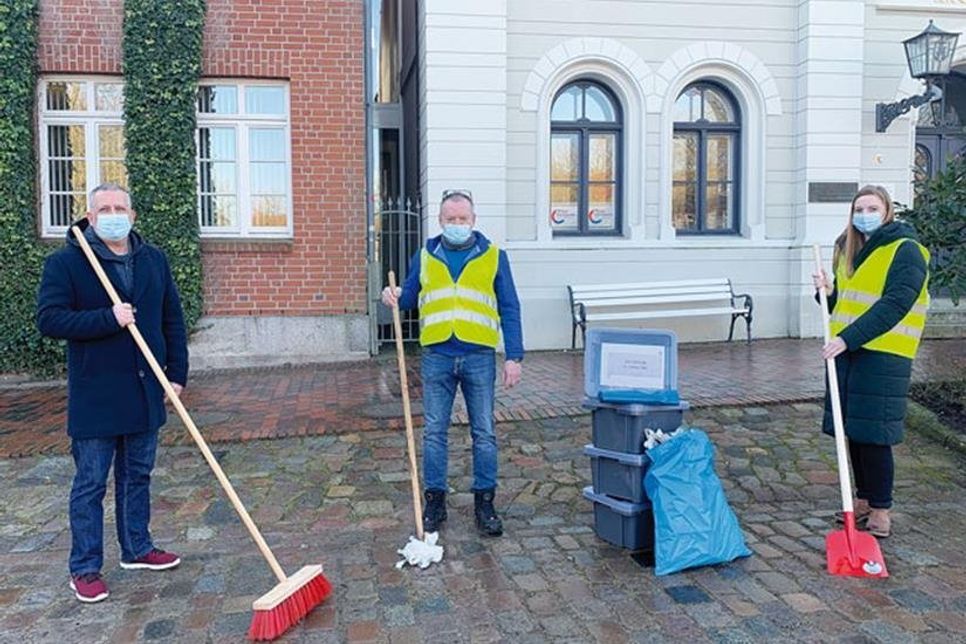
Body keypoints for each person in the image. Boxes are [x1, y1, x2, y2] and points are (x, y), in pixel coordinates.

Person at [37, 183, 188, 603]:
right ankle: (84, 567)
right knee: (90, 484)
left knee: (137, 475)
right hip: (97, 395)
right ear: (89, 217)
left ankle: (137, 548)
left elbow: (171, 318)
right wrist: (109, 317)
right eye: (104, 208)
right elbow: (50, 320)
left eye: (120, 207)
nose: (113, 214)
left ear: (133, 215)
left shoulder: (153, 259)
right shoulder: (67, 263)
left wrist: (176, 374)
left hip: (145, 388)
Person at [382, 189, 524, 537]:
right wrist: (394, 295)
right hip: (437, 357)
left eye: (463, 219)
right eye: (451, 219)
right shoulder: (426, 255)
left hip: (479, 356)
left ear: (473, 221)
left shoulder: (494, 256)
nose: (457, 224)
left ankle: (485, 502)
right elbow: (411, 295)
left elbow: (509, 307)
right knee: (434, 433)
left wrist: (515, 356)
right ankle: (435, 501)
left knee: (484, 433)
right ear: (441, 221)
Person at [812, 184, 929, 539]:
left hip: (884, 354)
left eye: (872, 208)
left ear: (887, 211)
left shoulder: (907, 251)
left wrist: (847, 339)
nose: (864, 214)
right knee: (853, 431)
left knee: (875, 435)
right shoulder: (846, 249)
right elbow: (843, 307)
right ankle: (862, 498)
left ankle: (881, 509)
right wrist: (826, 294)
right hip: (847, 353)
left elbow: (895, 305)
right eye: (859, 208)